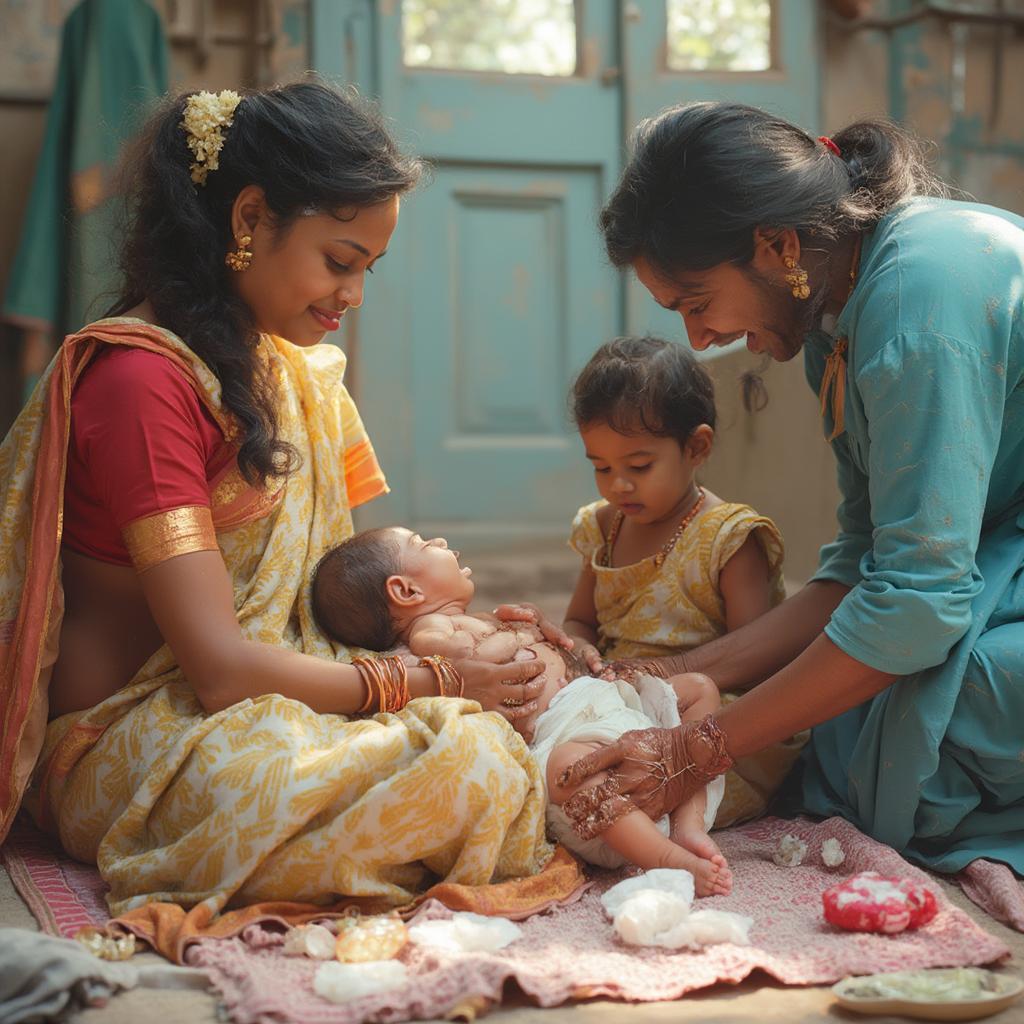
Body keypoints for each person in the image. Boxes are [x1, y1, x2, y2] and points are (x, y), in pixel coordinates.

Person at [0, 82, 579, 933]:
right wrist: (436, 679)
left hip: (255, 707)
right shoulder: (141, 383)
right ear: (247, 219)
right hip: (126, 742)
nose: (353, 293)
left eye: (366, 269)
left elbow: (338, 592)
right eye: (339, 261)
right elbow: (222, 669)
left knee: (476, 742)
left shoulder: (287, 370)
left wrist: (454, 638)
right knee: (449, 766)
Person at [557, 102, 1024, 877]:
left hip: (978, 577)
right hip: (989, 566)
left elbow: (913, 602)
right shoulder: (831, 320)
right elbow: (863, 561)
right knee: (832, 719)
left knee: (945, 706)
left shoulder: (916, 302)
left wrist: (693, 750)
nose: (699, 340)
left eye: (696, 304)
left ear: (777, 247)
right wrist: (665, 678)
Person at [312, 526, 732, 894]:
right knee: (572, 767)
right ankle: (665, 858)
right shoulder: (430, 632)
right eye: (423, 544)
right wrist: (512, 635)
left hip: (603, 704)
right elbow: (470, 655)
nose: (440, 541)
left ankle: (688, 825)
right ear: (407, 591)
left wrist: (530, 627)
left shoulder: (471, 618)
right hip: (566, 734)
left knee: (699, 690)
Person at [561, 336, 805, 827]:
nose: (618, 485)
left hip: (701, 713)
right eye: (601, 468)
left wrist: (668, 693)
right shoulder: (602, 527)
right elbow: (579, 619)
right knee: (560, 759)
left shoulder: (728, 537)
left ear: (696, 446)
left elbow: (755, 661)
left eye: (639, 466)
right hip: (620, 699)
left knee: (631, 793)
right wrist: (581, 656)